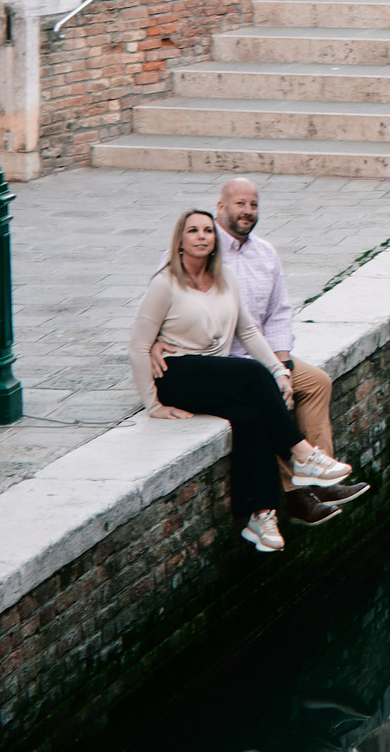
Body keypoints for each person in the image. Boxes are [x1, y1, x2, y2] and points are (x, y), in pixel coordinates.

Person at [129, 208, 338, 552]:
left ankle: (261, 515)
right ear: (179, 241)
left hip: (214, 374)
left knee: (251, 416)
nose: (201, 236)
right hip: (175, 374)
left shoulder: (225, 278)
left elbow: (248, 331)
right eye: (193, 231)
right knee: (251, 374)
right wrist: (152, 404)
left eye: (208, 231)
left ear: (215, 240)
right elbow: (137, 344)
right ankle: (300, 453)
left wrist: (278, 370)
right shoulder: (165, 282)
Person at [215, 177, 371, 520]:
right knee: (269, 397)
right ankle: (296, 495)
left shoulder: (265, 252)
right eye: (240, 204)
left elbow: (279, 312)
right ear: (221, 207)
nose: (248, 211)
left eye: (253, 205)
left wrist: (283, 364)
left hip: (264, 356)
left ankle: (319, 481)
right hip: (226, 362)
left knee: (316, 382)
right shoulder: (204, 250)